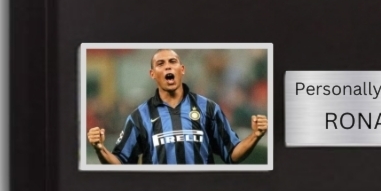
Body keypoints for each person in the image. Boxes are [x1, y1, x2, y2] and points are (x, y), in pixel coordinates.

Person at [87, 49, 268, 165]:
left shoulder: (209, 108)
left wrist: (255, 135)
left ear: (182, 70)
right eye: (161, 64)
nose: (168, 67)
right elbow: (120, 162)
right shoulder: (139, 116)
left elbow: (233, 154)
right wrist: (99, 148)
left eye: (172, 62)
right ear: (152, 74)